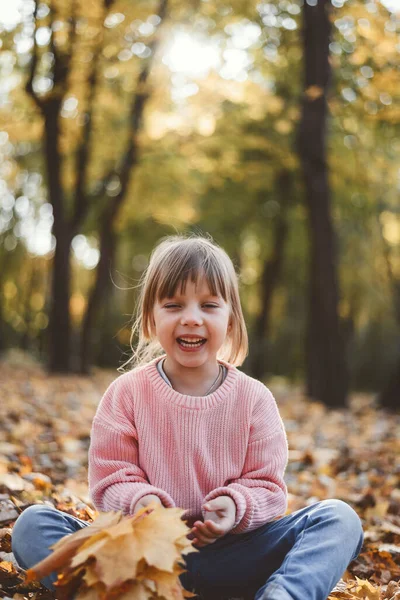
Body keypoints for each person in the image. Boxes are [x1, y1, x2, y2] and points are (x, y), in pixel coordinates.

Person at [12, 235, 364, 600]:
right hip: (142, 560)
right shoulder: (126, 394)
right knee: (34, 525)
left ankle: (282, 595)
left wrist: (235, 507)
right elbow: (110, 478)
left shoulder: (254, 399)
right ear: (151, 318)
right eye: (174, 305)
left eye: (209, 305)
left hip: (237, 557)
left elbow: (268, 486)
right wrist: (142, 503)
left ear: (230, 320)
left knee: (339, 519)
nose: (192, 319)